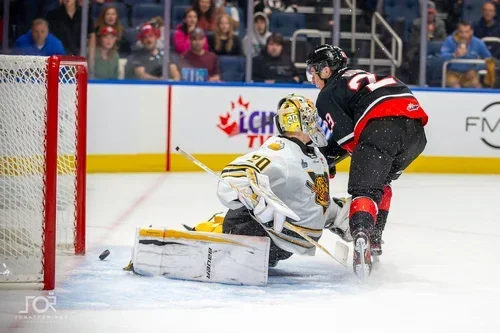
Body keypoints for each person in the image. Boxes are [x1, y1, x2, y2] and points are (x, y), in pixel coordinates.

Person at [305, 44, 428, 278]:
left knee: (364, 190)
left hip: (382, 126)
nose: (312, 77)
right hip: (416, 134)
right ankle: (376, 240)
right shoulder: (359, 76)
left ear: (326, 70)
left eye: (313, 71)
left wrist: (327, 159)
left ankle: (362, 234)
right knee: (380, 182)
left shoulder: (327, 94)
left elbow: (349, 140)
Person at [188, 94, 351, 268]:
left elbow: (313, 200)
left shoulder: (310, 155)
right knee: (241, 204)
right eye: (313, 119)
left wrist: (336, 213)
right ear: (304, 121)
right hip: (283, 244)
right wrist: (259, 201)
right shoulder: (284, 152)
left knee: (239, 212)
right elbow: (234, 175)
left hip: (268, 239)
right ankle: (204, 232)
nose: (316, 124)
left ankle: (207, 236)